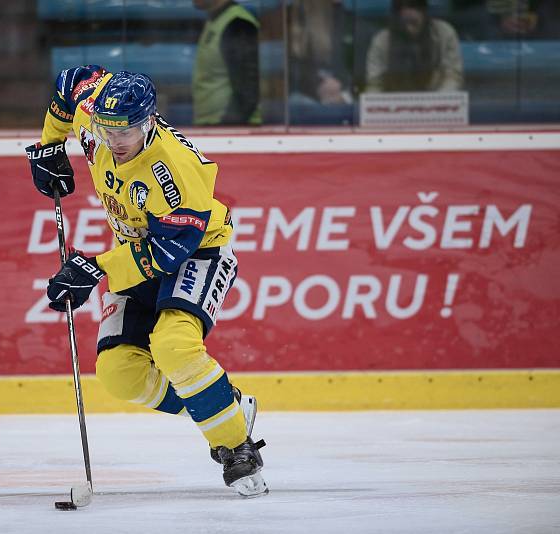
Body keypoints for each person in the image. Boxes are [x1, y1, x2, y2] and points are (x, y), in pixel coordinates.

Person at [25, 65, 268, 497]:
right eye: (106, 129)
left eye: (126, 130)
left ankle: (235, 446)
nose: (114, 141)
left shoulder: (173, 171)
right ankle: (224, 403)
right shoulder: (95, 115)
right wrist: (50, 146)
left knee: (174, 345)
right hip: (135, 251)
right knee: (120, 374)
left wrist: (95, 267)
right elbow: (70, 83)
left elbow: (165, 252)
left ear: (150, 121)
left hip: (197, 252)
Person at [365, 0, 463, 93]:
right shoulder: (381, 41)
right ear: (396, 15)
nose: (409, 29)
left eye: (413, 23)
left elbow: (452, 77)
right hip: (394, 104)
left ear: (424, 12)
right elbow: (374, 85)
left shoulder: (445, 34)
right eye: (405, 23)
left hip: (436, 102)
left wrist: (435, 103)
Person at [192, 0, 261, 125]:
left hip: (233, 131)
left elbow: (247, 92)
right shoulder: (216, 20)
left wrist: (226, 129)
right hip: (215, 128)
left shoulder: (238, 25)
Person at [288, 0, 352, 105]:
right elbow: (292, 67)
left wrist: (344, 96)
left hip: (345, 102)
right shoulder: (291, 18)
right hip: (305, 100)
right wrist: (319, 84)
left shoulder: (353, 23)